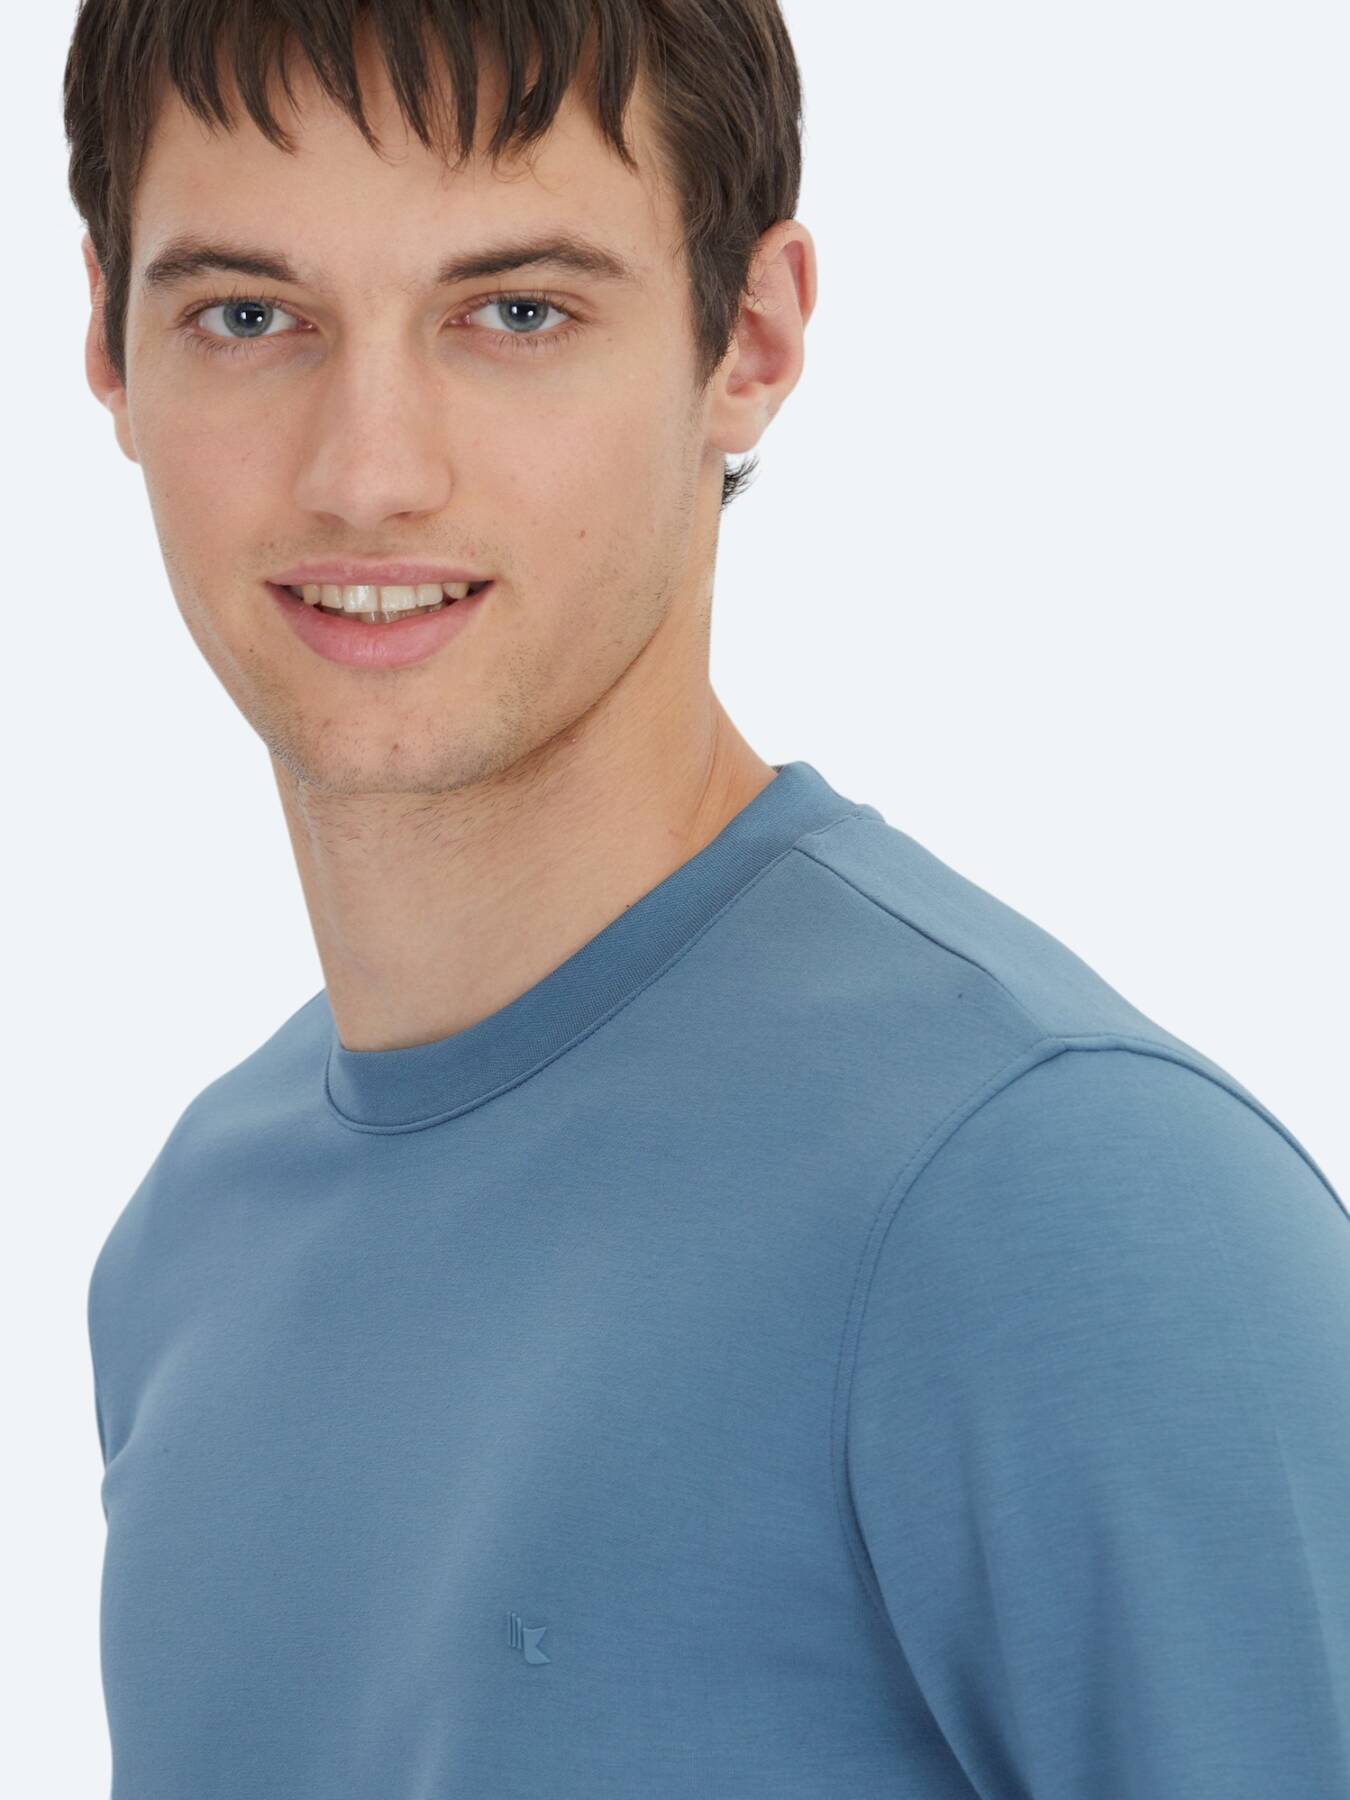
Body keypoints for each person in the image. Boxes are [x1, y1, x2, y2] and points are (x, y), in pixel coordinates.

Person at [64, 3, 1350, 1795]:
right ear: (110, 350)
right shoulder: (194, 1233)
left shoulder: (1052, 1199)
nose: (367, 472)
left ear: (747, 338)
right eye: (248, 316)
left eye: (517, 312)